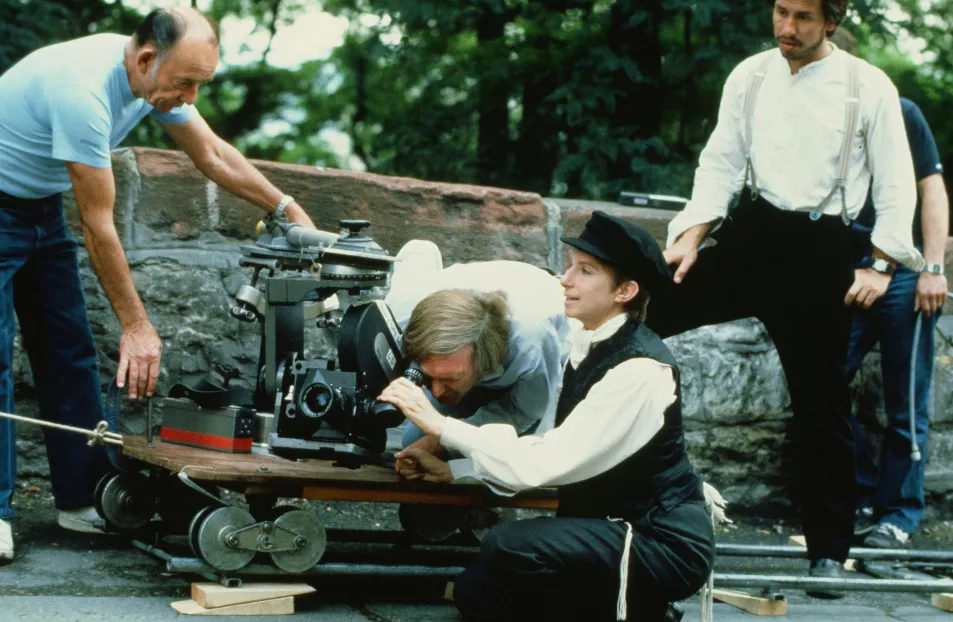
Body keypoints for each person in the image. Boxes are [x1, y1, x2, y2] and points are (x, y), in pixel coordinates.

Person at [0, 7, 316, 562]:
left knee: (67, 349)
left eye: (200, 83)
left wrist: (289, 209)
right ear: (147, 58)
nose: (190, 97)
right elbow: (99, 227)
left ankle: (81, 500)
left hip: (37, 206)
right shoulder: (83, 91)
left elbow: (213, 153)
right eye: (186, 83)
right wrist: (137, 326)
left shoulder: (153, 81)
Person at [646, 0, 924, 591]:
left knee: (822, 405)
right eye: (780, 11)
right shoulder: (749, 75)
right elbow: (718, 165)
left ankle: (828, 550)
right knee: (640, 318)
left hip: (822, 251)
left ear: (832, 19)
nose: (786, 28)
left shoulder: (865, 85)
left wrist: (879, 262)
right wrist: (692, 236)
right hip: (752, 235)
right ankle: (613, 501)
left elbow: (899, 184)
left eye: (802, 16)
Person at [380, 212, 717, 622]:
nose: (566, 279)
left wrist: (442, 427)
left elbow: (543, 463)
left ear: (625, 290)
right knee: (476, 592)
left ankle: (644, 608)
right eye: (570, 265)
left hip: (658, 542)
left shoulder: (640, 371)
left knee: (506, 546)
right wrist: (454, 472)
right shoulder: (582, 340)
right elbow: (536, 445)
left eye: (586, 271)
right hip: (606, 525)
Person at [829, 27, 950, 549]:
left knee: (905, 402)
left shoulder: (902, 112)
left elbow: (931, 191)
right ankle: (855, 494)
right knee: (820, 388)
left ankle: (898, 515)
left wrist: (935, 268)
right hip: (843, 275)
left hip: (903, 275)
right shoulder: (809, 119)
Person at [383, 240, 571, 483]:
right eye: (429, 376)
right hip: (466, 323)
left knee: (492, 461)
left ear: (484, 362)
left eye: (448, 379)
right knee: (413, 445)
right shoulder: (402, 307)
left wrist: (445, 442)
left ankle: (488, 515)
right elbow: (420, 248)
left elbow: (521, 412)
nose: (437, 392)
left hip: (540, 360)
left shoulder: (532, 338)